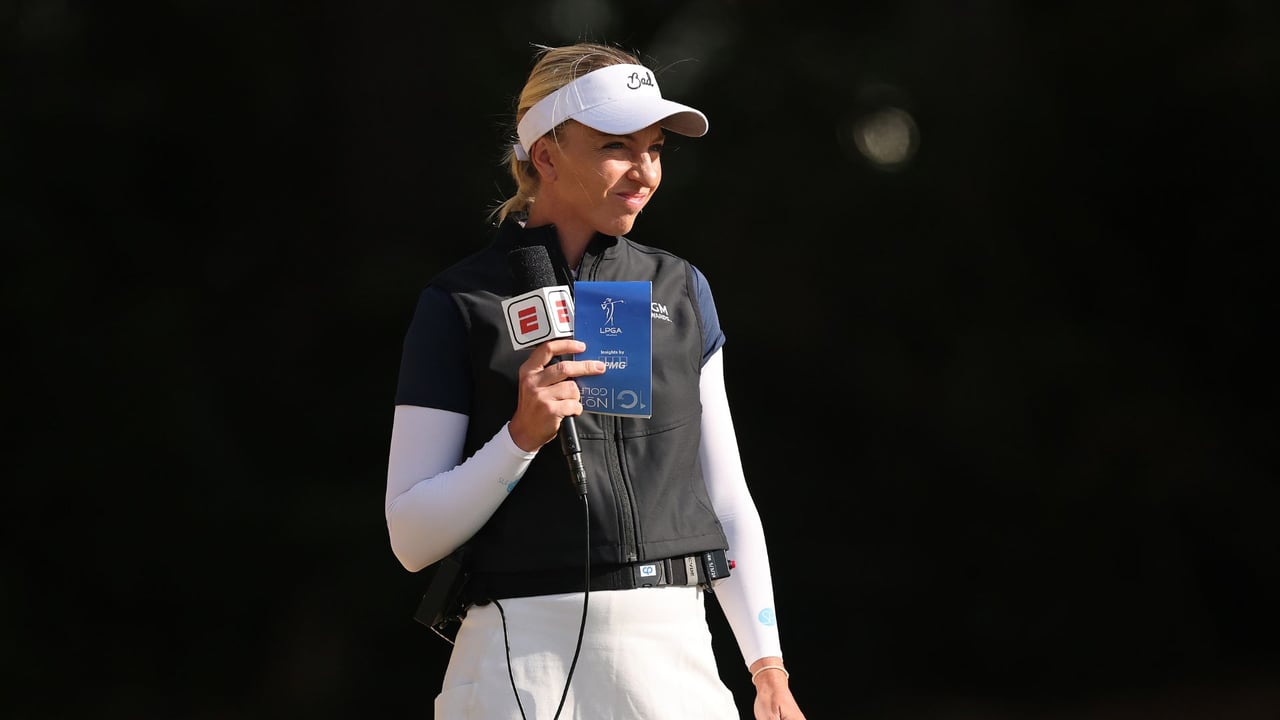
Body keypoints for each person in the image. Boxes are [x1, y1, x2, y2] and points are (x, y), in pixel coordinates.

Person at [384, 41, 807, 720]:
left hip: (673, 654)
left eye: (656, 149)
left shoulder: (681, 289)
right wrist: (519, 438)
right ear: (546, 156)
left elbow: (726, 497)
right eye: (617, 146)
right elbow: (411, 537)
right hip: (516, 659)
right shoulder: (459, 302)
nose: (644, 171)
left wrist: (767, 665)